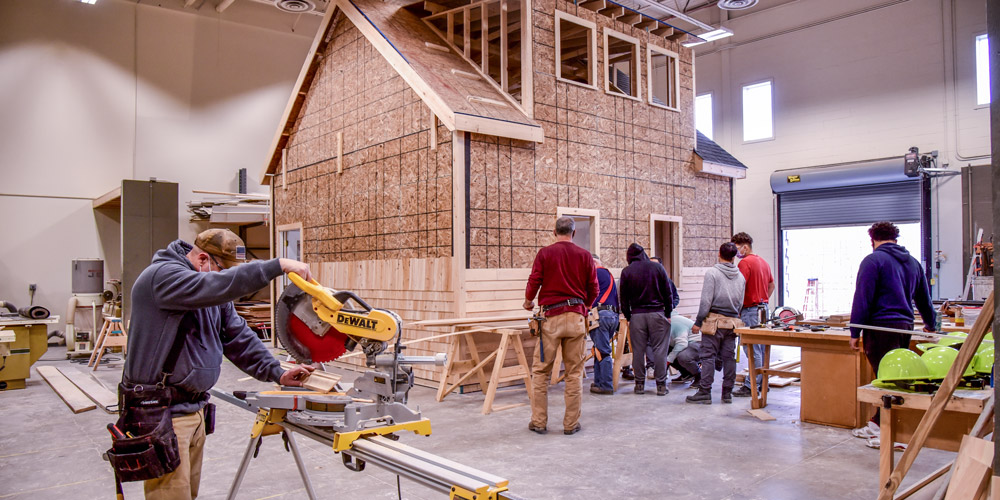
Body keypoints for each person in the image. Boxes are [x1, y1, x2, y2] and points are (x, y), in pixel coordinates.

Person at [123, 229, 316, 500]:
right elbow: (217, 285)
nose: (223, 279)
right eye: (221, 270)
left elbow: (236, 335)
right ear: (202, 259)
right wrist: (277, 266)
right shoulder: (162, 278)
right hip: (163, 414)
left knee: (187, 494)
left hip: (193, 410)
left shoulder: (206, 289)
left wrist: (277, 372)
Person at [849, 221, 936, 442]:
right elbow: (924, 299)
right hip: (905, 327)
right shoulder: (913, 263)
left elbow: (863, 298)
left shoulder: (873, 260)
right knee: (894, 377)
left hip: (880, 327)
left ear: (872, 240)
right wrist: (930, 324)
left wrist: (854, 332)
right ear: (895, 239)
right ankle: (882, 423)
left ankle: (880, 428)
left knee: (884, 379)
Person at [523, 216, 598, 435]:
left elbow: (534, 280)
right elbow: (594, 289)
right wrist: (585, 307)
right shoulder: (585, 256)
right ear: (573, 234)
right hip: (575, 318)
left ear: (554, 232)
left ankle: (539, 422)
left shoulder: (545, 253)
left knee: (540, 373)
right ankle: (570, 424)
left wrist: (528, 301)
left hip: (550, 320)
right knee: (574, 373)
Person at [686, 242, 746, 405]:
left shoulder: (712, 273)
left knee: (708, 357)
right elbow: (740, 302)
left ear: (719, 254)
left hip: (713, 322)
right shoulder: (740, 277)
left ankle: (705, 391)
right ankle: (727, 393)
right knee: (729, 357)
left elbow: (706, 301)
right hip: (732, 322)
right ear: (734, 257)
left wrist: (698, 321)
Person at [619, 244, 673, 396]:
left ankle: (639, 385)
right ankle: (661, 385)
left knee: (638, 351)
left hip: (637, 315)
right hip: (657, 313)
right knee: (660, 351)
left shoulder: (627, 271)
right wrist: (668, 313)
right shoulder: (657, 268)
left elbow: (623, 298)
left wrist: (629, 316)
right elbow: (668, 293)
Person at [730, 232, 775, 398]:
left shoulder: (745, 263)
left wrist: (737, 309)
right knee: (762, 349)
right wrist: (763, 299)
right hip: (763, 309)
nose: (736, 253)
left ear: (744, 246)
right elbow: (772, 285)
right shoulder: (763, 262)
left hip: (750, 310)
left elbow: (739, 288)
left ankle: (752, 386)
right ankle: (763, 383)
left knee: (752, 349)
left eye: (736, 249)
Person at [643, 256, 680, 380]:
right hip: (648, 315)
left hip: (663, 315)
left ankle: (661, 369)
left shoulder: (667, 281)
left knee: (663, 343)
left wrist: (669, 309)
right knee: (648, 341)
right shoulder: (643, 280)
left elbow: (675, 297)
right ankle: (651, 367)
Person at [589, 254, 619, 395]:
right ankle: (599, 381)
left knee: (603, 352)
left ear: (593, 262)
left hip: (600, 316)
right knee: (599, 349)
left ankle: (606, 385)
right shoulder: (608, 275)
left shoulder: (595, 272)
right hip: (612, 316)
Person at [666, 312, 700, 386]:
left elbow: (682, 344)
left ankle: (699, 376)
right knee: (666, 351)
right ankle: (687, 374)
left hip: (698, 342)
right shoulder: (665, 321)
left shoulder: (674, 321)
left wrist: (668, 360)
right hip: (687, 343)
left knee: (683, 356)